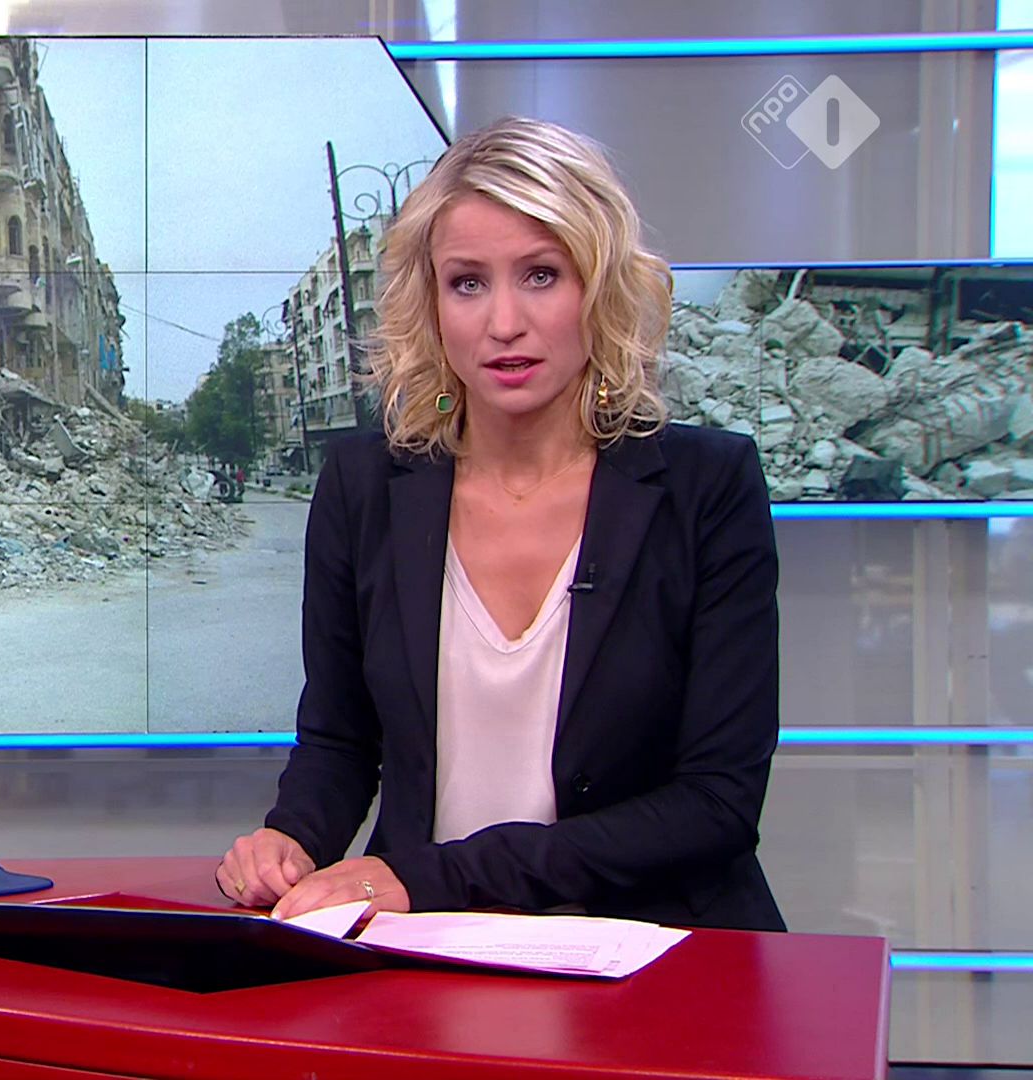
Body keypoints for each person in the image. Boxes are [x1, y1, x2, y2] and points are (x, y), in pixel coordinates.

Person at [218, 117, 784, 931]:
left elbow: (717, 801)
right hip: (424, 944)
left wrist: (437, 876)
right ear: (431, 305)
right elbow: (341, 740)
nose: (504, 322)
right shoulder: (364, 486)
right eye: (468, 283)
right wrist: (291, 839)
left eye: (542, 275)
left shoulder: (706, 486)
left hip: (647, 944)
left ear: (600, 289)